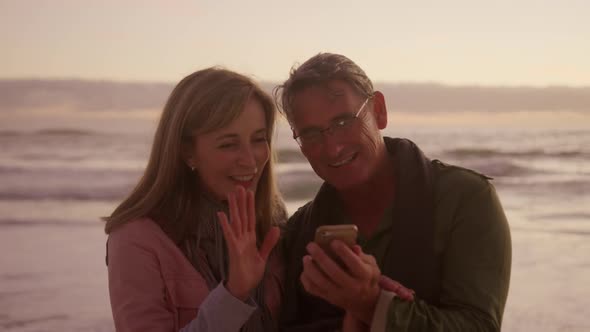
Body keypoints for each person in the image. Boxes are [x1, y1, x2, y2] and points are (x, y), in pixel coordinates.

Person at [275, 53, 512, 331]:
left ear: (378, 110)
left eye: (343, 122)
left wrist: (373, 304)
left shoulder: (466, 200)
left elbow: (479, 326)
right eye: (312, 134)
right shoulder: (300, 231)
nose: (333, 147)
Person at [104, 68, 287, 331]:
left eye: (258, 140)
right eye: (228, 144)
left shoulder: (272, 220)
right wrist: (234, 294)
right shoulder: (137, 240)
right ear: (187, 151)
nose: (250, 160)